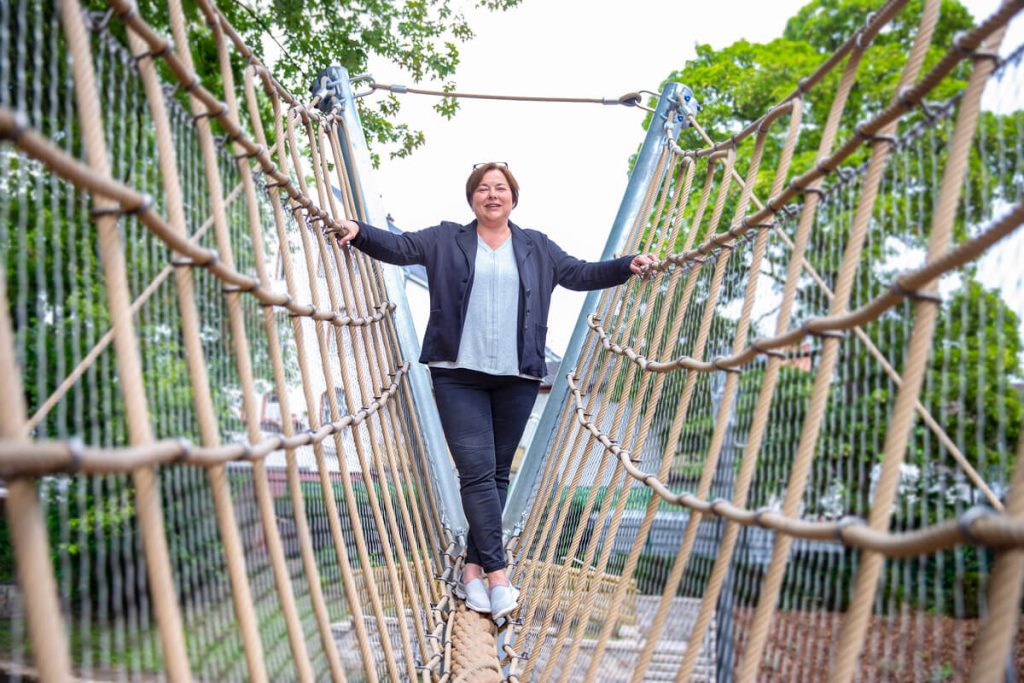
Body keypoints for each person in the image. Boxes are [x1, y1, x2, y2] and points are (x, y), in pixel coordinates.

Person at [337, 162, 655, 620]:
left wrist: (627, 265)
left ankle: (471, 569)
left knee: (497, 474)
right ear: (472, 199)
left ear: (513, 198)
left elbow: (581, 274)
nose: (492, 195)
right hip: (457, 373)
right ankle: (498, 574)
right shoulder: (446, 238)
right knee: (477, 472)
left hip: (518, 376)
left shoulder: (536, 247)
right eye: (483, 189)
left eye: (500, 188)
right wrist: (358, 231)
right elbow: (399, 246)